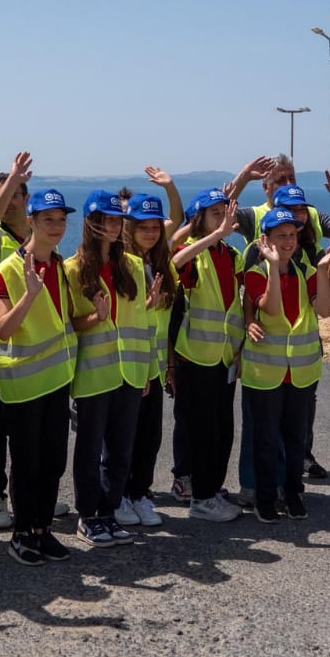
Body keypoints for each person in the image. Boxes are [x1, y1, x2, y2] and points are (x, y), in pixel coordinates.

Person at [0, 155, 68, 528]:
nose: (9, 200)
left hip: (43, 361)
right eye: (2, 194)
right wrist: (12, 179)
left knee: (39, 436)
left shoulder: (47, 249)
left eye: (16, 194)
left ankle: (34, 499)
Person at [0, 187, 79, 565]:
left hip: (57, 381)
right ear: (31, 221)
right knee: (26, 462)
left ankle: (43, 530)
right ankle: (22, 532)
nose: (57, 226)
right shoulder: (8, 270)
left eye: (61, 220)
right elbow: (3, 330)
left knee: (53, 460)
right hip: (25, 385)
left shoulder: (60, 265)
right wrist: (28, 295)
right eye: (48, 220)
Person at [243, 209, 330, 522]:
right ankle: (265, 498)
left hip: (300, 373)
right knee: (265, 439)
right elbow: (271, 309)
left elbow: (326, 310)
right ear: (266, 240)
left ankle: (292, 493)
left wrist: (328, 269)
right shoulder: (257, 273)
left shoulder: (307, 272)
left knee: (295, 438)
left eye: (293, 235)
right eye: (281, 236)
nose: (288, 242)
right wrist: (274, 267)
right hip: (265, 374)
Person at [65, 190, 153, 546]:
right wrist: (94, 317)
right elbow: (70, 323)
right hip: (93, 374)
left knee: (121, 449)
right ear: (91, 223)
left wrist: (148, 370)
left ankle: (109, 512)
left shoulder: (132, 267)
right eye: (106, 220)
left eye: (117, 220)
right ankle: (88, 516)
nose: (114, 226)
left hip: (130, 371)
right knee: (88, 450)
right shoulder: (72, 269)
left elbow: (144, 322)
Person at [170, 189, 246, 522]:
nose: (224, 218)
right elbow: (174, 263)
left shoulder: (231, 254)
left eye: (225, 212)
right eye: (215, 213)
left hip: (225, 357)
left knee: (222, 428)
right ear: (199, 219)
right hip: (196, 357)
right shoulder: (193, 252)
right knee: (201, 430)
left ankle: (212, 488)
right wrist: (213, 234)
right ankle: (200, 499)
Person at [117, 189, 178, 527]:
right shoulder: (121, 265)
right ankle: (120, 496)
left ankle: (140, 493)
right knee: (123, 437)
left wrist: (169, 366)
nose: (151, 233)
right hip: (126, 365)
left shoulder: (161, 265)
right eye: (143, 227)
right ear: (129, 228)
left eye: (155, 227)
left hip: (152, 365)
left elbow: (165, 324)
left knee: (149, 438)